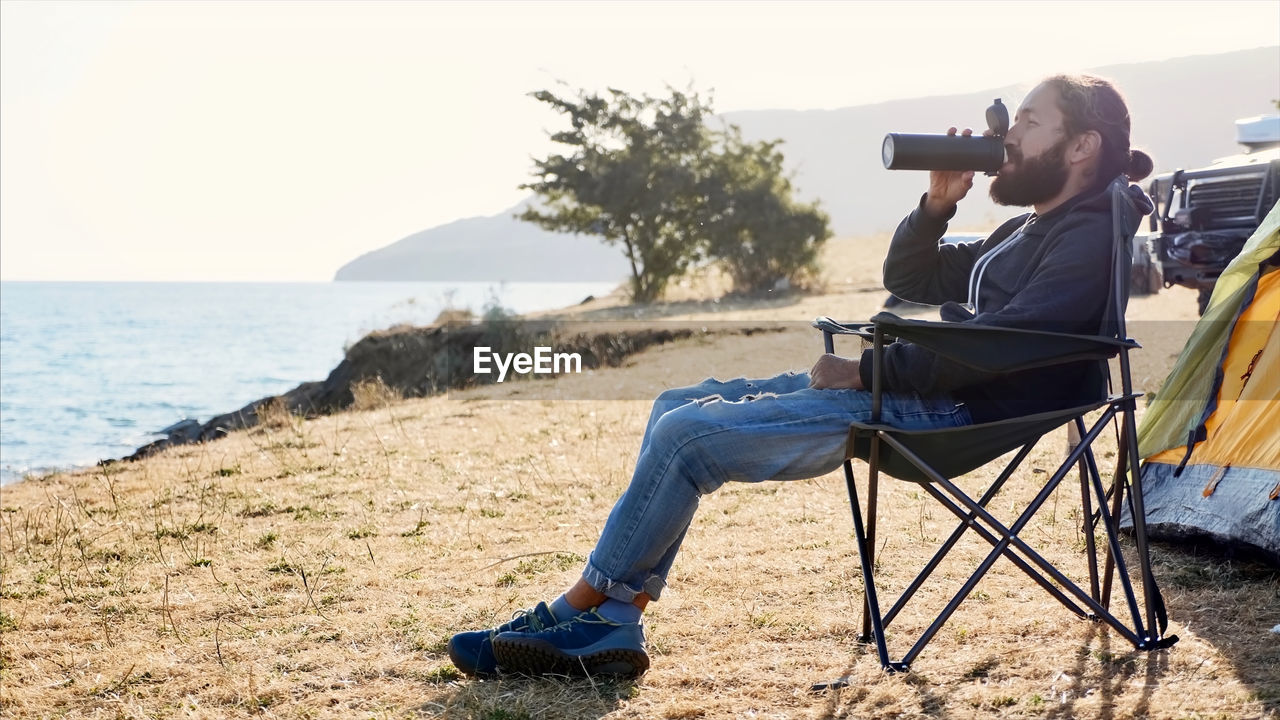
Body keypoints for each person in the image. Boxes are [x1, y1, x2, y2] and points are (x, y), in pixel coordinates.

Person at [447, 74, 1155, 679]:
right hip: (930, 392)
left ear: (1082, 144)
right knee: (674, 404)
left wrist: (870, 369)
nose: (1008, 136)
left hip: (956, 414)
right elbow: (909, 277)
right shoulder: (1030, 228)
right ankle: (616, 619)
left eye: (1029, 123)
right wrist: (937, 206)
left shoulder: (1088, 234)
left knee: (690, 439)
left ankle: (575, 610)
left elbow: (1009, 345)